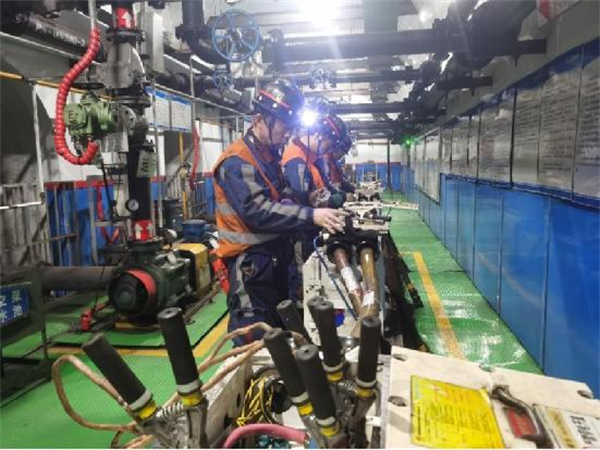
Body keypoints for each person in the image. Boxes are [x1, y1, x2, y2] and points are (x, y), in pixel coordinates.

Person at [212, 79, 347, 345]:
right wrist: (311, 215)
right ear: (262, 120)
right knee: (255, 341)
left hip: (274, 261)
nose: (288, 135)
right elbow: (257, 212)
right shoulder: (237, 161)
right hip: (250, 267)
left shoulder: (268, 156)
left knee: (281, 337)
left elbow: (280, 196)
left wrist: (305, 200)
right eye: (285, 128)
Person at [281, 109, 348, 301]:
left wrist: (337, 196)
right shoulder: (296, 160)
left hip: (312, 227)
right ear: (319, 135)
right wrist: (331, 201)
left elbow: (323, 187)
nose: (328, 150)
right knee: (304, 279)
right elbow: (303, 199)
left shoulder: (311, 158)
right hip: (300, 232)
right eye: (329, 144)